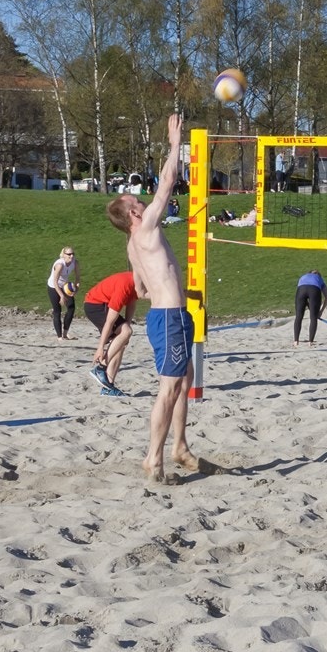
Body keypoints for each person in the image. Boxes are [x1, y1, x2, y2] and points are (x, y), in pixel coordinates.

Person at [106, 114, 202, 485]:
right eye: (138, 201)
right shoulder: (144, 229)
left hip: (168, 315)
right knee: (169, 388)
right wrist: (176, 144)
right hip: (170, 318)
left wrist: (171, 285)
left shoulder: (134, 246)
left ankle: (180, 445)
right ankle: (153, 457)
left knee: (184, 378)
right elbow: (166, 183)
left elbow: (141, 289)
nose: (144, 202)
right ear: (133, 213)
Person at [85, 269, 141, 396]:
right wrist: (100, 348)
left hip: (102, 304)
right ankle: (100, 368)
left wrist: (126, 328)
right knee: (126, 332)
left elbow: (131, 304)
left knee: (121, 341)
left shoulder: (136, 284)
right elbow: (109, 322)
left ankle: (108, 387)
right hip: (95, 305)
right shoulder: (125, 286)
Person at [45, 246, 80, 340]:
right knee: (57, 311)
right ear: (64, 255)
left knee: (71, 307)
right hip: (53, 286)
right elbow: (55, 281)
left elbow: (77, 278)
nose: (71, 256)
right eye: (69, 254)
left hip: (64, 286)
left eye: (73, 254)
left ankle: (65, 333)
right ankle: (59, 336)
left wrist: (76, 289)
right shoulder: (60, 265)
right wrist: (61, 296)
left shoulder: (75, 263)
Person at [294, 269, 327, 346]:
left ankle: (296, 341)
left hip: (301, 290)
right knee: (313, 318)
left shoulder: (303, 277)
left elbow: (304, 299)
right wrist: (319, 312)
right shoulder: (319, 279)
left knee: (298, 316)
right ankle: (310, 342)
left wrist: (310, 307)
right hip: (314, 290)